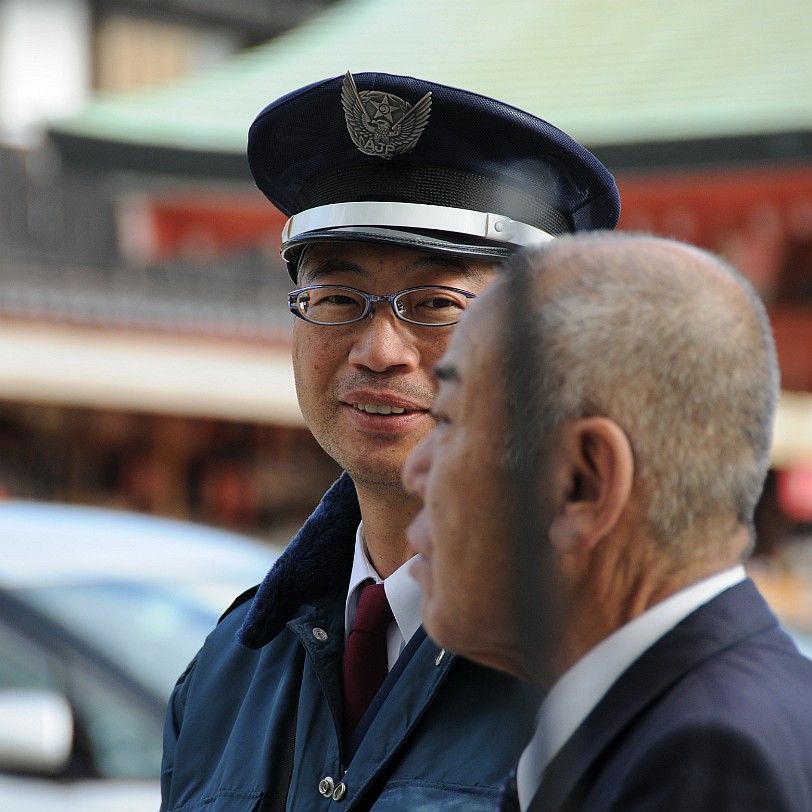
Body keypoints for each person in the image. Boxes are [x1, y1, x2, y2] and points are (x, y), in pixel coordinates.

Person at [159, 72, 620, 812]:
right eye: (337, 298)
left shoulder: (606, 668)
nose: (378, 350)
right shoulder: (228, 670)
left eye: (434, 303)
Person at [403, 232, 812, 812]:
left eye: (445, 420)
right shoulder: (698, 715)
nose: (414, 470)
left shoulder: (706, 761)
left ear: (580, 485)